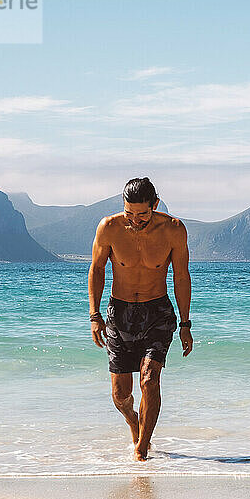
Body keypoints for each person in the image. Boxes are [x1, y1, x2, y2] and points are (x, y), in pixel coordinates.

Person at [88, 177, 193, 462]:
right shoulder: (109, 227)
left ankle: (142, 449)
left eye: (142, 214)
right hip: (118, 313)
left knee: (150, 378)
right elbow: (97, 270)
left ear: (155, 205)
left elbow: (181, 277)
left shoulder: (173, 230)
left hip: (157, 312)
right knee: (121, 396)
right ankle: (134, 421)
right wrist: (94, 315)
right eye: (129, 213)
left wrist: (185, 324)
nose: (135, 220)